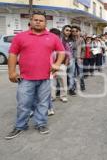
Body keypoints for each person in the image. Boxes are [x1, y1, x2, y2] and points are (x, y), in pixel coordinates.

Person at [5, 11, 65, 140]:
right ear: (31, 21)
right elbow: (12, 55)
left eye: (41, 20)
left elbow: (61, 51)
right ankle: (20, 126)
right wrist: (11, 72)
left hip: (46, 77)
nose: (38, 22)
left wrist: (57, 64)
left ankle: (41, 123)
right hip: (26, 78)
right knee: (23, 103)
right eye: (35, 20)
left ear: (45, 23)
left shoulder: (52, 37)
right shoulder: (20, 37)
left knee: (43, 103)